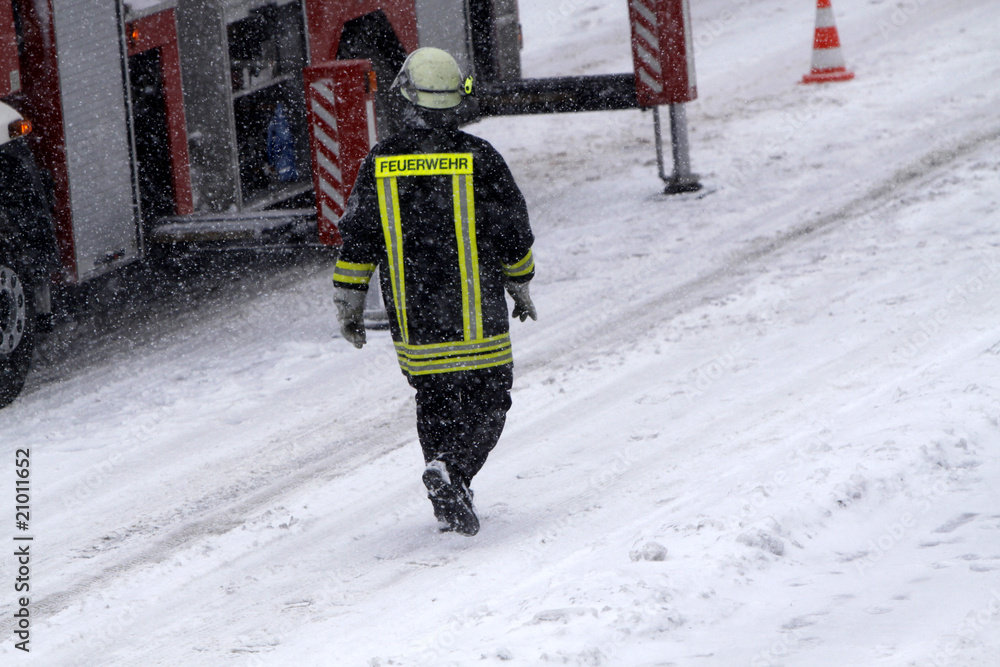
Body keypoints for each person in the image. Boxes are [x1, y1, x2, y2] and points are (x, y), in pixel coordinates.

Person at [332, 47, 536, 536]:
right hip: (477, 314)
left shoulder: (380, 161)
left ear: (406, 97)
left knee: (436, 400)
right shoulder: (480, 158)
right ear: (456, 100)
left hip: (415, 321)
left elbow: (360, 238)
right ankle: (455, 472)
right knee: (490, 400)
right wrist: (521, 284)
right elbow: (512, 232)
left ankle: (446, 480)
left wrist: (349, 302)